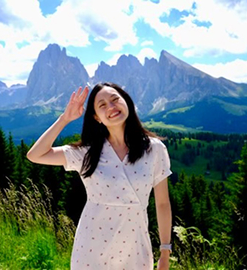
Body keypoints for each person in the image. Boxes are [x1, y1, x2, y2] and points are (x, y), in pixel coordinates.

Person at [26, 82, 172, 270]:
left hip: (135, 247)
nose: (111, 107)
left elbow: (162, 203)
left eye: (115, 99)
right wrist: (65, 118)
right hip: (92, 246)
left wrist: (165, 253)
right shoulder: (87, 153)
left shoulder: (154, 149)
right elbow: (35, 155)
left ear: (127, 102)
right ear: (97, 117)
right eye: (102, 105)